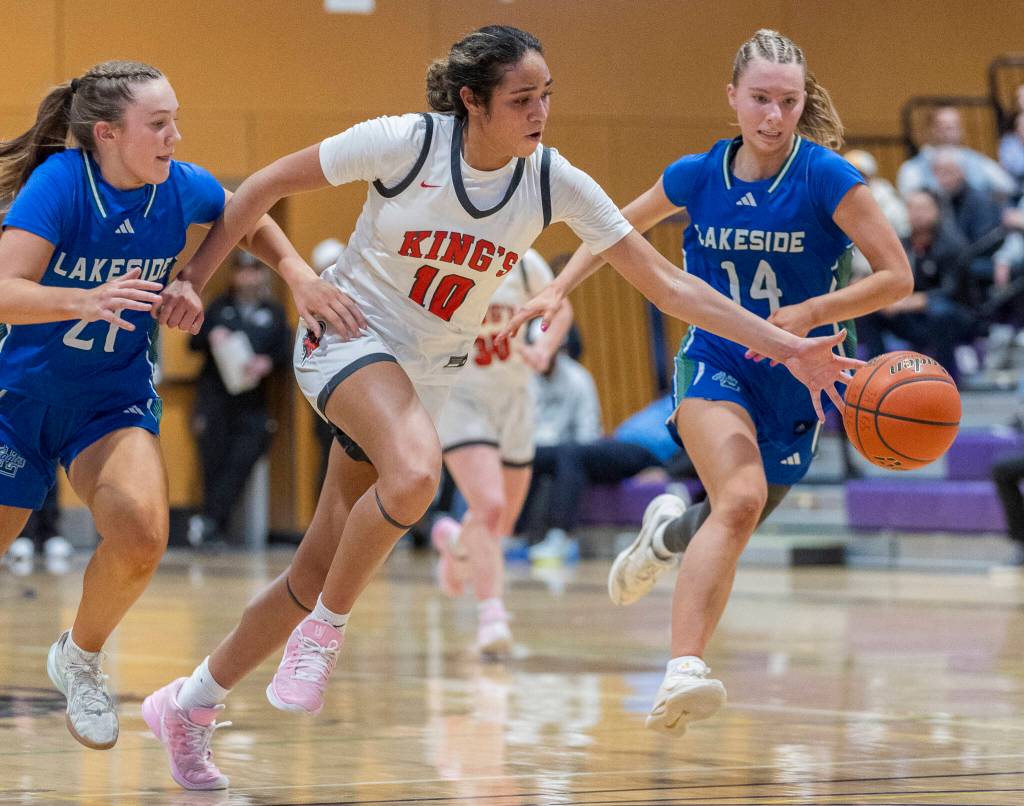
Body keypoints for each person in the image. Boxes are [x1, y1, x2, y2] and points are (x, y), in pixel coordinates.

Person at [142, 25, 858, 790]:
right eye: (522, 99)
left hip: (429, 373)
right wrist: (213, 275)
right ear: (471, 102)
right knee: (416, 477)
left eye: (546, 95)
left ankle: (190, 702)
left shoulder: (551, 180)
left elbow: (671, 286)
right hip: (346, 337)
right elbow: (257, 188)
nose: (540, 112)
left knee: (316, 565)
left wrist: (789, 348)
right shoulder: (404, 143)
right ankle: (326, 633)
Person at [508, 29, 912, 737]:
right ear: (732, 98)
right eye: (760, 99)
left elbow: (896, 276)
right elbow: (611, 232)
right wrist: (559, 290)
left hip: (799, 377)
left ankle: (663, 536)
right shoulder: (697, 175)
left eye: (788, 102)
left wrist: (816, 308)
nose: (774, 116)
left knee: (733, 515)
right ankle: (684, 668)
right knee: (742, 497)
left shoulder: (827, 178)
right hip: (716, 363)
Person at [0, 60, 351, 759]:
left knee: (141, 534)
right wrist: (84, 299)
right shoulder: (62, 187)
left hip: (110, 398)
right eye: (158, 124)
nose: (175, 136)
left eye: (175, 120)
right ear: (106, 134)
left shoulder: (177, 187)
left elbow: (245, 212)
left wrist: (270, 276)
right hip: (18, 397)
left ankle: (80, 658)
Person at [430, 248, 572, 656]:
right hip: (460, 396)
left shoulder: (525, 261)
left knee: (502, 522)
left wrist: (543, 347)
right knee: (489, 507)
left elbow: (559, 311)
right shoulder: (438, 258)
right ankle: (492, 617)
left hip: (515, 396)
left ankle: (458, 542)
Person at [187, 251, 292, 547]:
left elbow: (285, 351)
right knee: (213, 459)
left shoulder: (272, 311)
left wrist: (266, 362)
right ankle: (211, 527)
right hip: (216, 398)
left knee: (244, 457)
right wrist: (211, 334)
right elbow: (192, 341)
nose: (249, 277)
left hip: (252, 401)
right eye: (243, 271)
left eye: (255, 271)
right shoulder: (219, 307)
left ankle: (210, 520)